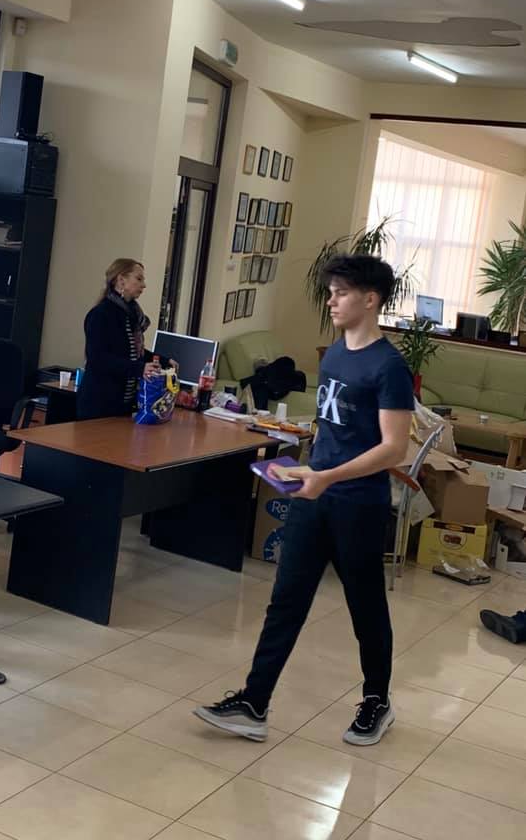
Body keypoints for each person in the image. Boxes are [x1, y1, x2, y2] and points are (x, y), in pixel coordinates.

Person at [195, 254, 414, 746]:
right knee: (285, 601)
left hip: (358, 504)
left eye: (341, 292)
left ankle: (377, 701)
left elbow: (393, 448)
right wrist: (302, 465)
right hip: (313, 496)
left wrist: (328, 477)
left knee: (365, 606)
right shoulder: (334, 354)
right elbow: (333, 429)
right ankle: (254, 703)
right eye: (330, 291)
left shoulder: (389, 367)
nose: (331, 300)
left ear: (370, 299)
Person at [77, 258, 170, 421]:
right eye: (138, 279)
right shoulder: (101, 314)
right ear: (121, 280)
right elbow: (98, 358)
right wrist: (139, 368)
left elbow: (131, 351)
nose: (144, 285)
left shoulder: (131, 314)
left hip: (123, 404)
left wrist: (164, 361)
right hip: (100, 403)